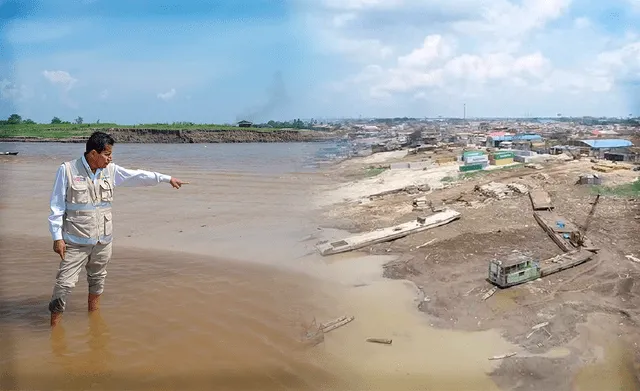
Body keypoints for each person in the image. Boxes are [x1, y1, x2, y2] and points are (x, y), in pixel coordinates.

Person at [47, 131, 186, 327]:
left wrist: (166, 178)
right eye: (107, 154)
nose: (110, 159)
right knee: (64, 284)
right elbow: (57, 207)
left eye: (111, 154)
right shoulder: (67, 170)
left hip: (103, 241)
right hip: (75, 242)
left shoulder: (110, 171)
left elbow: (137, 175)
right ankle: (54, 327)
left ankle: (94, 319)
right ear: (93, 153)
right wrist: (57, 237)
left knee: (97, 280)